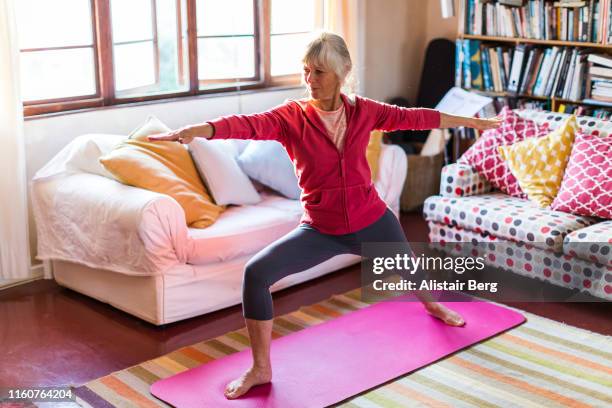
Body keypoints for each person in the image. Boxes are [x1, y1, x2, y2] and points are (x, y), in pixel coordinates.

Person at [149, 31, 501, 399]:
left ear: (342, 72)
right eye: (306, 71)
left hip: (372, 219)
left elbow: (412, 117)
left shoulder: (364, 110)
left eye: (319, 72)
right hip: (321, 230)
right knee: (256, 274)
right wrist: (199, 131)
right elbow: (246, 123)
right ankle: (261, 367)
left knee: (408, 263)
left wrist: (470, 122)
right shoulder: (291, 118)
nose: (310, 81)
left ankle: (433, 306)